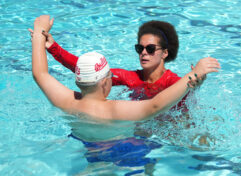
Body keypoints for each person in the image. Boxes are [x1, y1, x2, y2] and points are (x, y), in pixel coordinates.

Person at [31, 15, 220, 121]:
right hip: (138, 123)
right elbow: (84, 69)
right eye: (140, 48)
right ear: (106, 80)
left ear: (165, 53)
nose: (143, 53)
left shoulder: (173, 82)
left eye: (150, 48)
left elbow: (184, 99)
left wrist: (196, 83)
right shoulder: (130, 79)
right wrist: (55, 48)